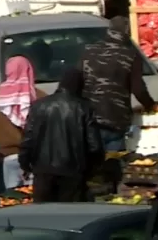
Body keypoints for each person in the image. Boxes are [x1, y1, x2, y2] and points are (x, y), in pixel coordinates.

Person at [19, 67, 104, 202]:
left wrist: (25, 163)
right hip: (73, 172)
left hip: (43, 171)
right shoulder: (84, 107)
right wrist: (91, 170)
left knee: (42, 215)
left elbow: (28, 139)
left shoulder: (39, 105)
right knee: (69, 215)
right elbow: (94, 146)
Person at [79, 28, 158, 152]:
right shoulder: (131, 54)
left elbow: (77, 80)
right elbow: (139, 90)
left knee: (92, 164)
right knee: (114, 163)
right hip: (116, 119)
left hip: (90, 118)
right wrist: (150, 105)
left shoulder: (89, 51)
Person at [0, 56, 47, 188]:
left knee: (12, 196)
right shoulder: (40, 97)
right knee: (32, 196)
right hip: (34, 157)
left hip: (9, 154)